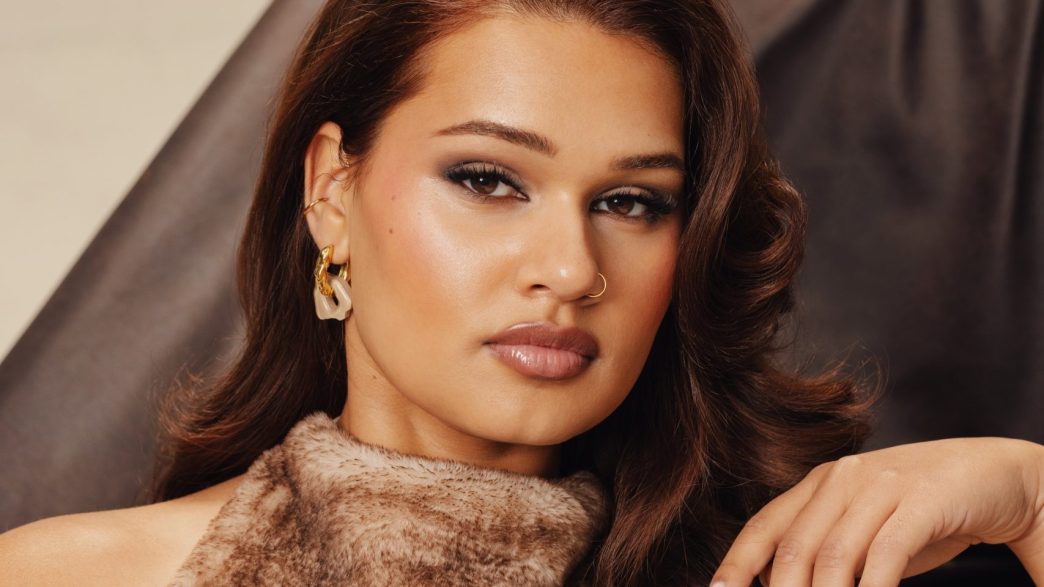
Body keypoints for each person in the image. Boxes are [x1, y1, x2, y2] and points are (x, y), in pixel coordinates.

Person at [0, 0, 1041, 585]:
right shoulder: (74, 575)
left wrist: (1032, 495)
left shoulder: (792, 569)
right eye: (488, 179)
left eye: (631, 201)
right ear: (331, 190)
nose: (572, 268)